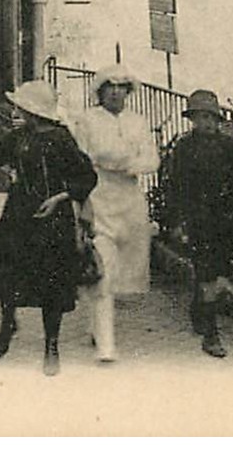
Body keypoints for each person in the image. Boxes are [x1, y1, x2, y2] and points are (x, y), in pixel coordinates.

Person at [0, 80, 99, 376]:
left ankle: (51, 346)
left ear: (33, 110)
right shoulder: (21, 135)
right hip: (18, 215)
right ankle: (7, 325)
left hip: (52, 219)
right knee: (7, 273)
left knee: (51, 283)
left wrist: (59, 198)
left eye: (20, 106)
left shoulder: (62, 139)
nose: (15, 110)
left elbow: (86, 177)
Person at [66, 65, 160, 363]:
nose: (116, 92)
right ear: (100, 90)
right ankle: (106, 347)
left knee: (121, 275)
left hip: (130, 203)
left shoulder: (138, 122)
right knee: (101, 270)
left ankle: (97, 326)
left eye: (122, 87)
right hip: (99, 198)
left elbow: (151, 159)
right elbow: (80, 159)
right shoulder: (87, 120)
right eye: (111, 86)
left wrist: (132, 165)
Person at [161, 88, 233, 358]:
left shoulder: (229, 146)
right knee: (206, 272)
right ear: (192, 120)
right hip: (198, 217)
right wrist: (176, 221)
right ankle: (212, 334)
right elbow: (175, 186)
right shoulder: (185, 147)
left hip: (225, 216)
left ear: (217, 118)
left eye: (209, 117)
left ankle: (199, 308)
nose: (205, 123)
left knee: (220, 272)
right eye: (199, 117)